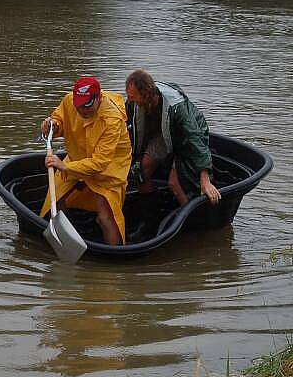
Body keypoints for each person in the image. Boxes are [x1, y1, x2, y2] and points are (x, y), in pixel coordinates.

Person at [40, 76, 132, 246]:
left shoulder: (112, 120)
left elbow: (99, 163)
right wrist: (53, 125)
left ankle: (115, 258)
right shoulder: (70, 101)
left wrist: (64, 166)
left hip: (109, 167)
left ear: (99, 97)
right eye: (79, 106)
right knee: (56, 197)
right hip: (78, 156)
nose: (83, 111)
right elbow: (60, 118)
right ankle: (67, 237)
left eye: (88, 106)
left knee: (105, 215)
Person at [125, 69, 221, 208]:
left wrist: (205, 179)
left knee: (175, 183)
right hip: (164, 133)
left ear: (146, 94)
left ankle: (191, 220)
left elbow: (195, 138)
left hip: (185, 138)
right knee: (141, 172)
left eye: (132, 96)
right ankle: (151, 214)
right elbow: (124, 122)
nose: (129, 100)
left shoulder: (176, 106)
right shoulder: (134, 103)